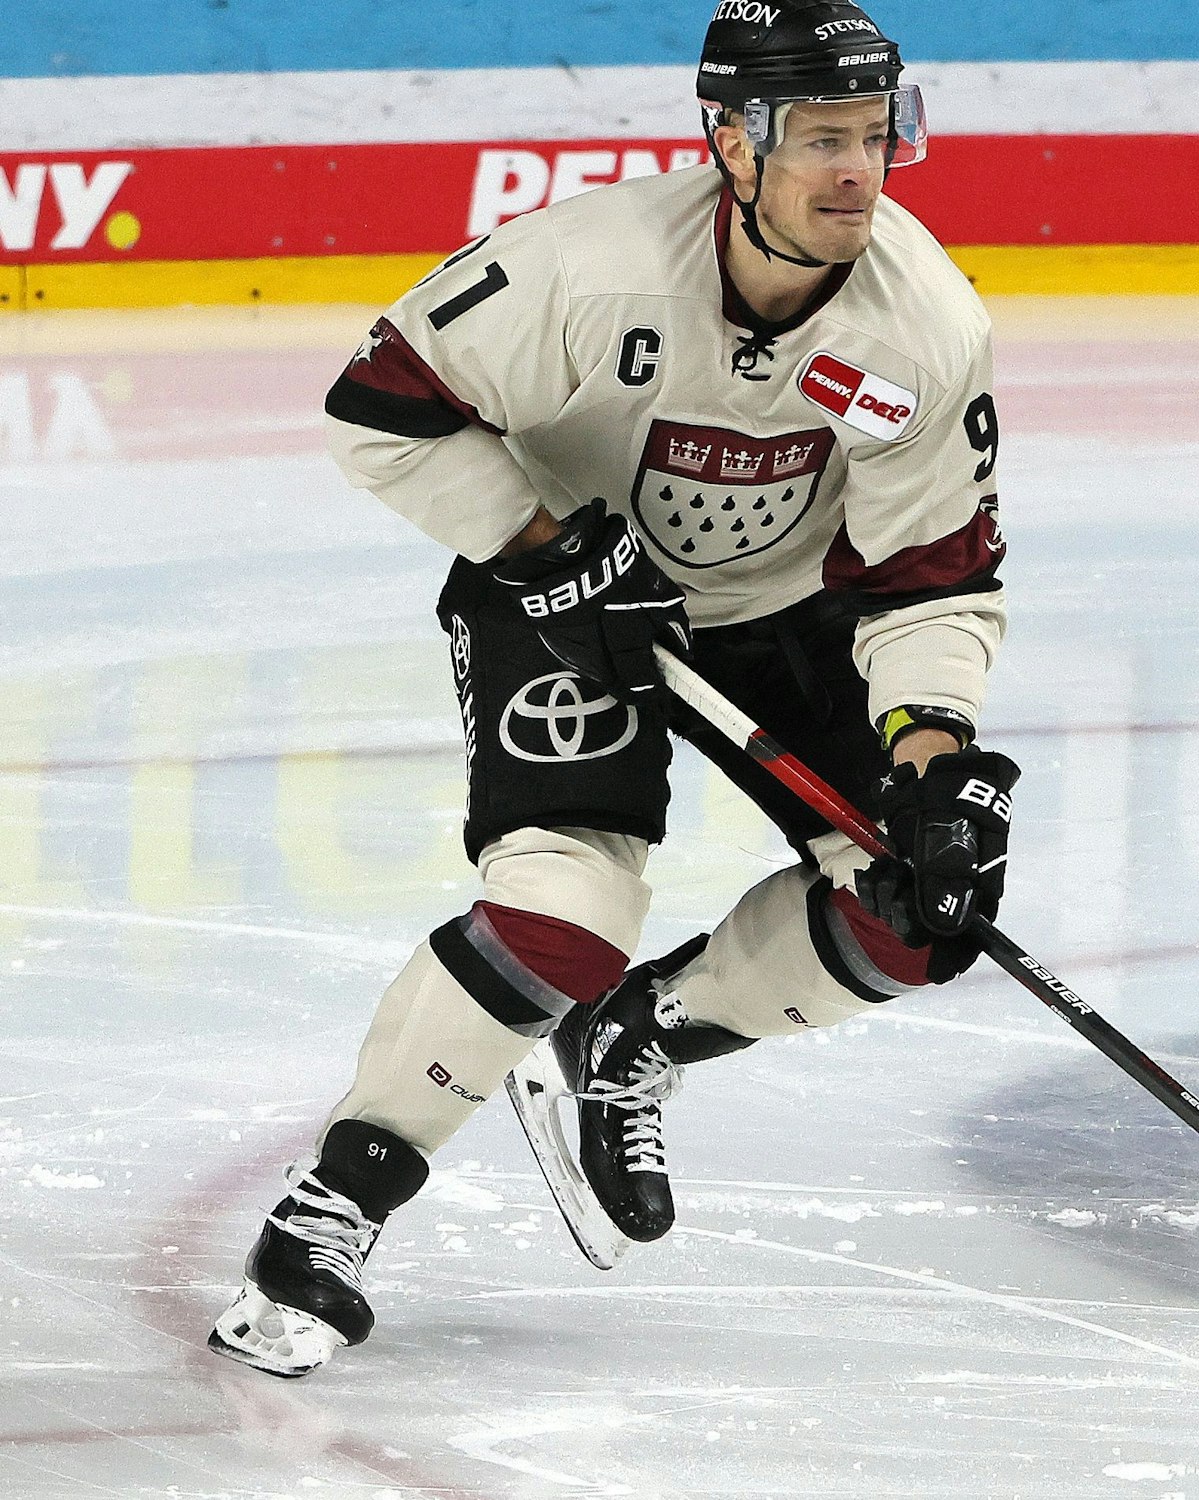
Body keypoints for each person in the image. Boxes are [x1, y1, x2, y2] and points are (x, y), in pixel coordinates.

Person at [208, 0, 1019, 1378]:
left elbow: (928, 575)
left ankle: (639, 1031)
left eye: (875, 137)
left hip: (785, 612)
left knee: (919, 918)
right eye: (820, 139)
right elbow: (382, 410)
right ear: (730, 142)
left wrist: (934, 756)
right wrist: (551, 552)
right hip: (556, 599)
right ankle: (334, 1208)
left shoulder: (921, 324)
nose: (855, 172)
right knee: (559, 915)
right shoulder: (581, 271)